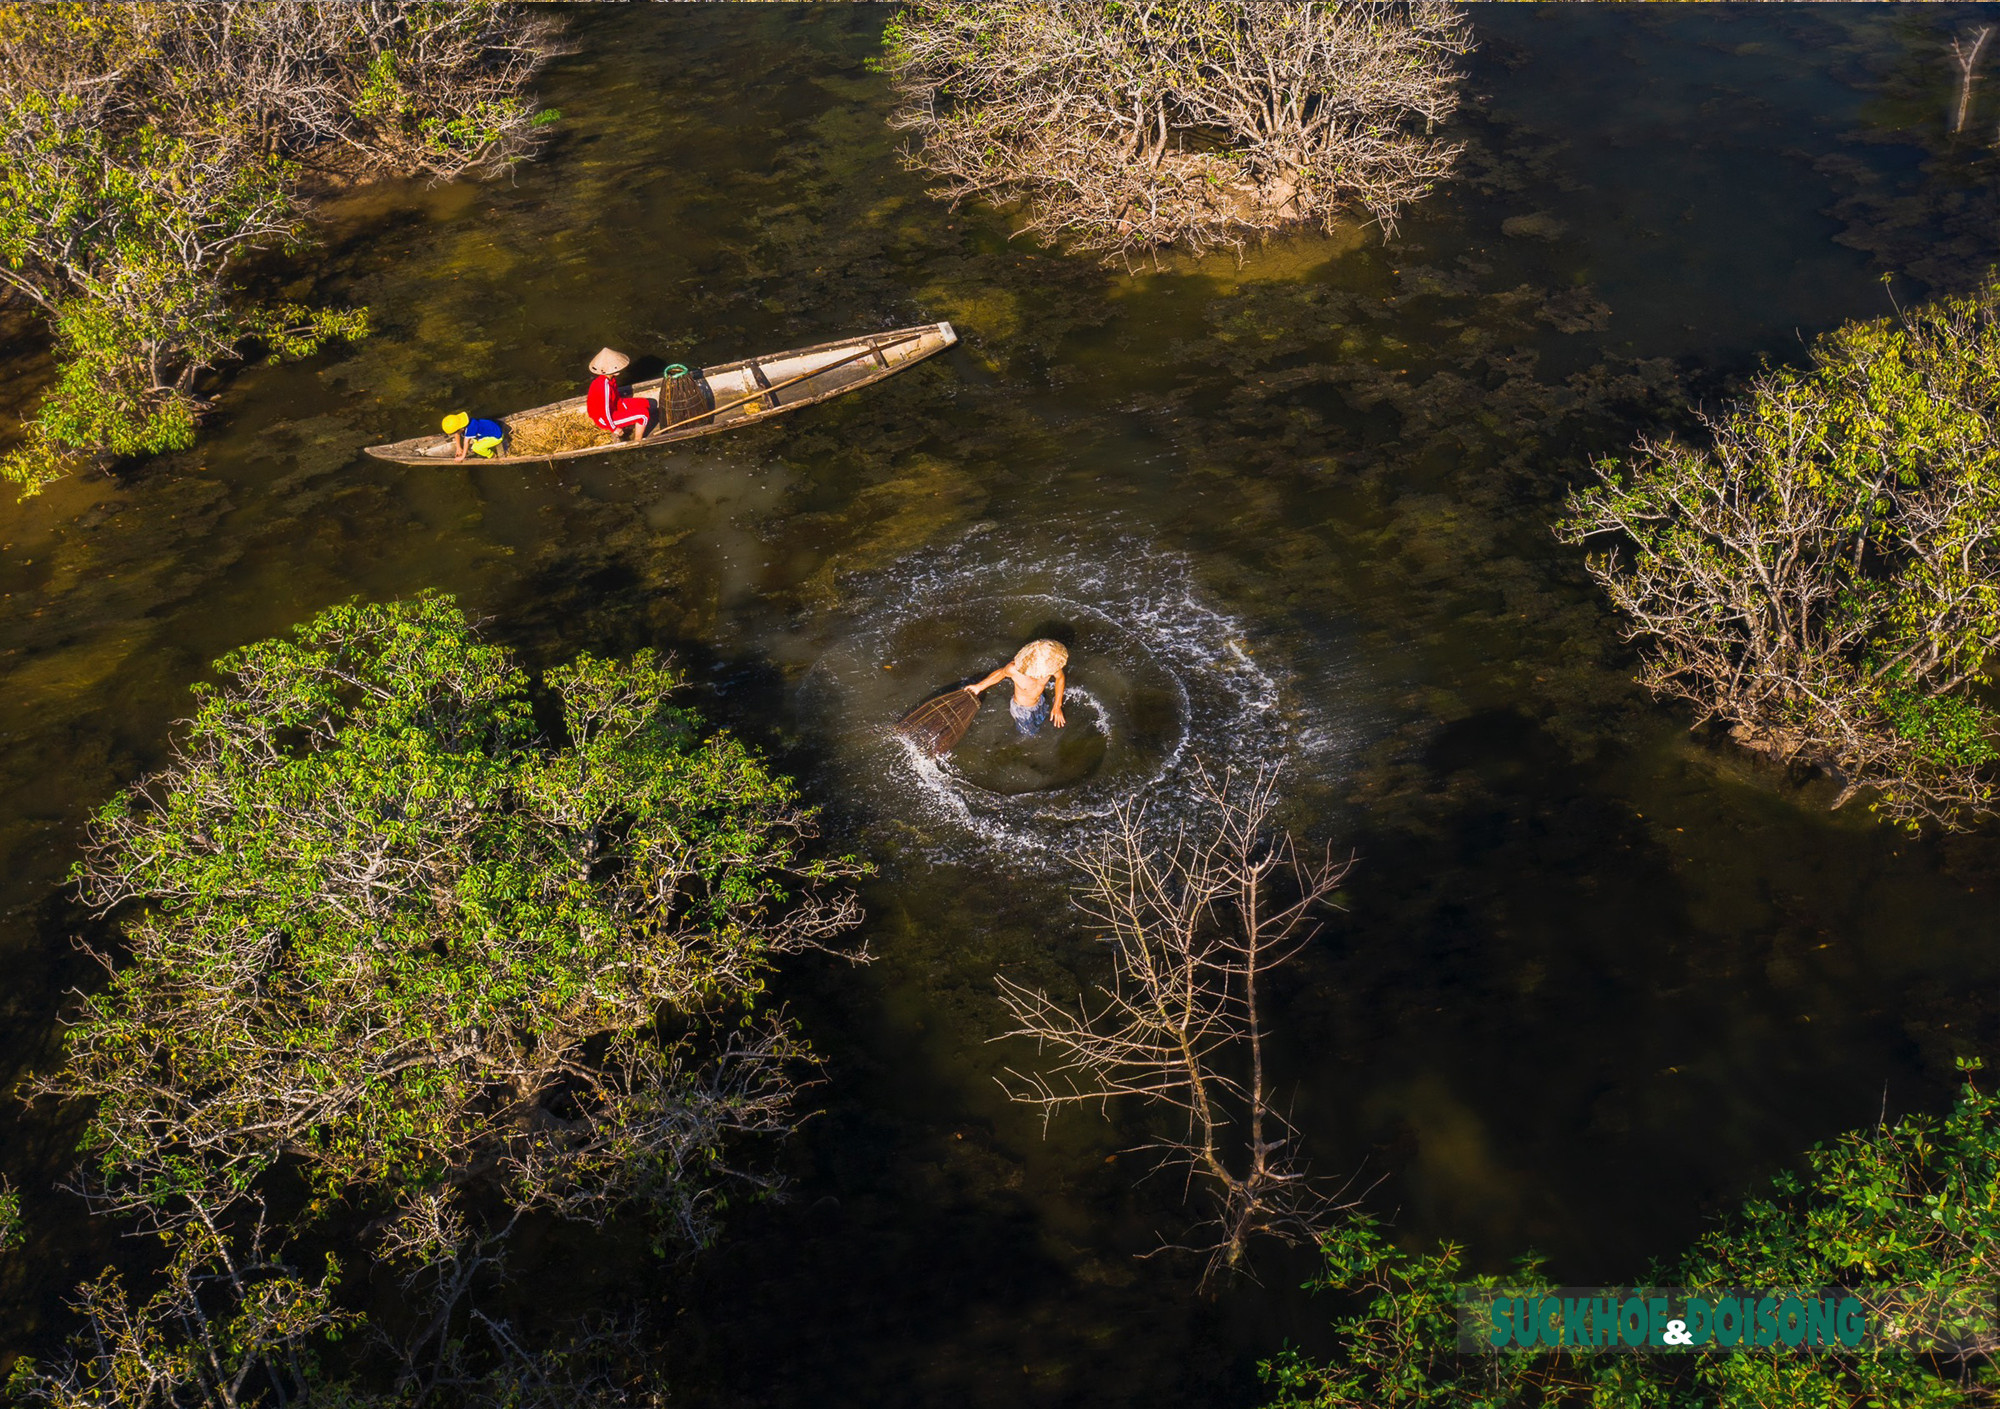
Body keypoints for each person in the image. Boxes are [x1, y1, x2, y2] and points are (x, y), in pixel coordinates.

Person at [966, 638, 1068, 736]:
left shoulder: (1050, 666)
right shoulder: (1014, 669)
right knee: (1030, 735)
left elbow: (1060, 678)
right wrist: (979, 686)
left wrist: (1057, 705)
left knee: (1043, 719)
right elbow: (1001, 673)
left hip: (1040, 700)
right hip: (1022, 710)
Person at [587, 347, 655, 442]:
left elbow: (616, 399)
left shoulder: (610, 379)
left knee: (648, 403)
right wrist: (614, 428)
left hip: (614, 407)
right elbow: (604, 411)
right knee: (643, 415)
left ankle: (633, 423)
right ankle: (637, 441)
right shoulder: (603, 385)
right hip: (604, 419)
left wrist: (625, 407)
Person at [441, 411, 506, 461]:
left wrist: (462, 457)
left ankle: (492, 455)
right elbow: (457, 433)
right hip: (491, 428)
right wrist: (458, 447)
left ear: (461, 428)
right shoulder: (466, 422)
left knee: (476, 448)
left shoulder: (471, 428)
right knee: (471, 439)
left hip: (496, 437)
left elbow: (466, 443)